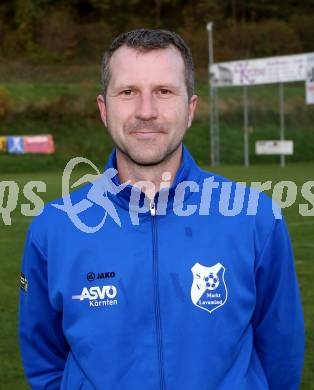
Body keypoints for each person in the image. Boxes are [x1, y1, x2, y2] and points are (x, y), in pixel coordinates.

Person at [19, 28, 305, 390]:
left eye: (164, 92)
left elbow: (281, 355)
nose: (146, 112)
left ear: (190, 109)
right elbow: (45, 365)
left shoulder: (255, 219)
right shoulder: (53, 229)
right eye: (128, 93)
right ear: (104, 110)